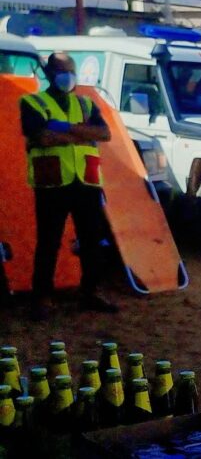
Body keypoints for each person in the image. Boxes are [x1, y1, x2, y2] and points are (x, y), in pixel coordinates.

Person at [19, 52, 117, 320]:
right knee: (49, 242)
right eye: (63, 72)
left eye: (71, 71)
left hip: (86, 180)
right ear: (50, 74)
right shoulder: (32, 102)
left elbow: (104, 133)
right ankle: (42, 298)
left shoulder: (85, 104)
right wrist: (81, 133)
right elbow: (42, 137)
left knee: (92, 240)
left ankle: (91, 292)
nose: (68, 77)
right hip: (52, 182)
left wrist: (63, 128)